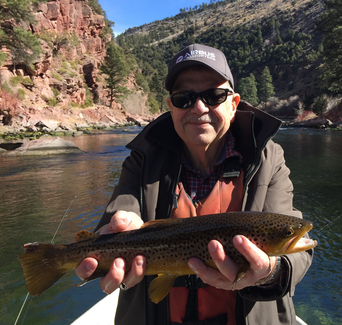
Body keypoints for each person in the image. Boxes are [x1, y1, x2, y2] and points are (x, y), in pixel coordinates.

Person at [75, 44, 314, 325]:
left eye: (214, 95)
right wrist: (118, 224)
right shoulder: (142, 159)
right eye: (184, 98)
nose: (199, 107)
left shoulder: (268, 158)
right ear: (171, 107)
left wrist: (272, 271)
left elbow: (297, 255)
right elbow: (121, 211)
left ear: (233, 104)